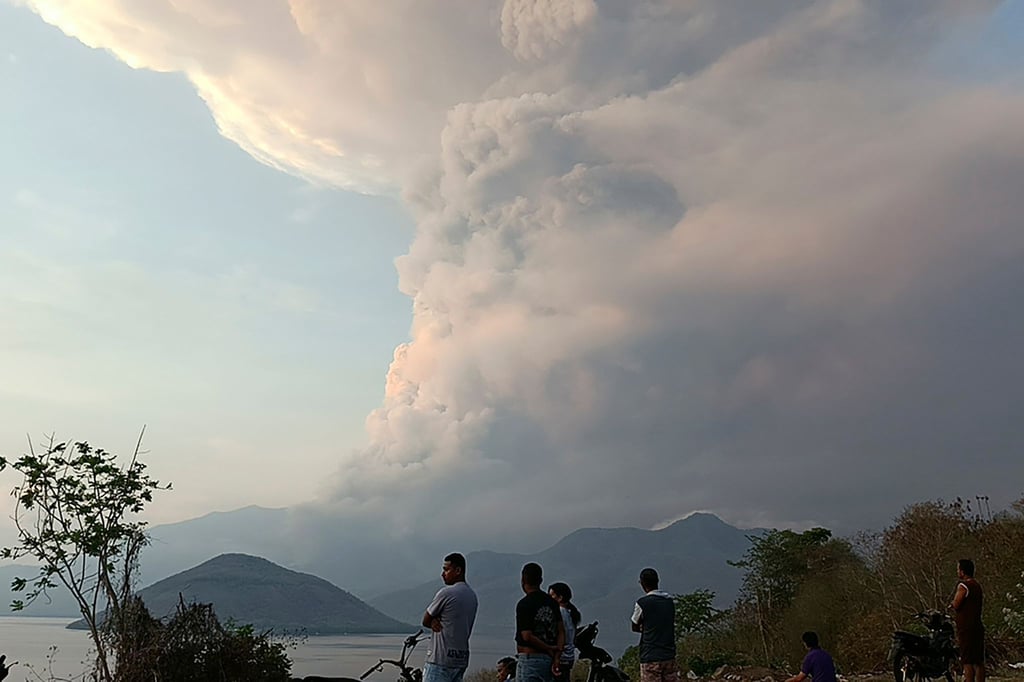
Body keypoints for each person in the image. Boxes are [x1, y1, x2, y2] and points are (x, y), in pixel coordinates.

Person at [422, 552, 479, 682]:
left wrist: (432, 621)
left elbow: (425, 620)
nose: (443, 574)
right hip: (460, 660)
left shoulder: (446, 593)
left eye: (446, 569)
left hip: (440, 661)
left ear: (458, 570)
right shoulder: (472, 596)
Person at [515, 562, 565, 682]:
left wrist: (548, 648)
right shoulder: (552, 603)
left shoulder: (524, 604)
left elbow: (526, 636)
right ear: (541, 580)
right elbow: (561, 632)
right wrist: (557, 656)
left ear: (523, 580)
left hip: (529, 660)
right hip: (548, 661)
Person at [630, 567, 678, 682]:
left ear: (642, 583)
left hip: (650, 656)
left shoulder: (642, 603)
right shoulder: (669, 602)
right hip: (669, 655)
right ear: (657, 581)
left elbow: (634, 625)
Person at [951, 558, 985, 682]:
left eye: (958, 569)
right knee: (979, 661)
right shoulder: (977, 585)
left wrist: (951, 603)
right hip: (977, 626)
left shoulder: (963, 586)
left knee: (967, 661)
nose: (957, 571)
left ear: (963, 571)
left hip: (966, 628)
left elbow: (956, 604)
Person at [548, 582, 581, 682]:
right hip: (569, 657)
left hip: (560, 657)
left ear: (560, 597)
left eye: (552, 595)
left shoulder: (559, 612)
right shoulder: (570, 613)